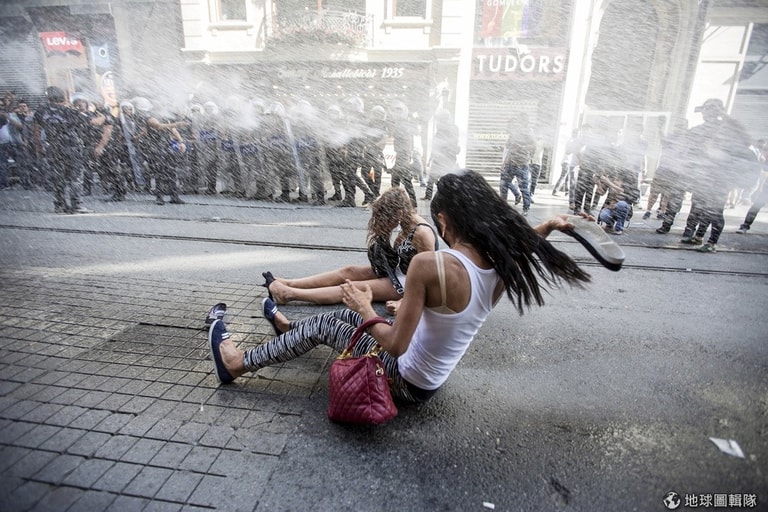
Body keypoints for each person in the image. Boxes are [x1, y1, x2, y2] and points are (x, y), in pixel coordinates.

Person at [207, 170, 591, 404]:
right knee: (343, 320)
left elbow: (395, 346)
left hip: (403, 381)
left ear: (444, 220)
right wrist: (548, 226)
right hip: (431, 379)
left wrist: (364, 305)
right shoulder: (502, 264)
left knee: (330, 322)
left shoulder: (430, 264)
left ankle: (237, 364)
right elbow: (524, 244)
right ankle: (290, 330)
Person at [263, 187, 437, 312]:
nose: (382, 223)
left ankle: (289, 294)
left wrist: (404, 302)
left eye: (385, 218)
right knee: (348, 271)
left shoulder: (422, 233)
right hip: (397, 272)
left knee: (349, 288)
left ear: (399, 213)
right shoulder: (406, 222)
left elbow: (432, 279)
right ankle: (289, 283)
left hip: (407, 285)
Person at [679, 98, 755, 252]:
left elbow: (745, 136)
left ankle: (712, 243)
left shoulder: (726, 127)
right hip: (704, 176)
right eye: (705, 108)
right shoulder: (702, 129)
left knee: (715, 211)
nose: (705, 112)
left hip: (720, 178)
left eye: (709, 109)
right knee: (701, 207)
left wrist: (723, 115)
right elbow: (690, 145)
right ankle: (698, 236)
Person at [33, 86, 94, 213]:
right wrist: (103, 117)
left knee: (58, 177)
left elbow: (36, 130)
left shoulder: (41, 111)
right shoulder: (69, 111)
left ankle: (59, 204)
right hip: (71, 147)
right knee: (75, 176)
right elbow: (91, 121)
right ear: (63, 97)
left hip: (54, 147)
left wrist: (39, 147)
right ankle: (76, 205)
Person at [499, 114, 535, 215]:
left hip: (522, 164)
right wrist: (504, 163)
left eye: (520, 121)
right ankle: (503, 207)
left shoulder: (529, 133)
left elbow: (533, 146)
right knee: (503, 185)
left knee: (523, 188)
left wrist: (522, 148)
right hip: (510, 164)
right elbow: (509, 148)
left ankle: (526, 208)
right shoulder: (514, 133)